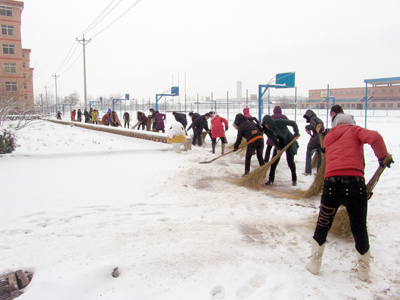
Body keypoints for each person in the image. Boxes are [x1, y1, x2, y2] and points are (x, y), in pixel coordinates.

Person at [305, 113, 393, 282]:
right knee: (359, 227)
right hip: (354, 184)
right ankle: (364, 270)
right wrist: (382, 158)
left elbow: (323, 147)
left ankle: (315, 263)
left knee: (323, 223)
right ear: (351, 123)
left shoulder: (329, 137)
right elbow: (375, 137)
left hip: (331, 185)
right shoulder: (354, 130)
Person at [261, 115, 300, 186]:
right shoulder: (267, 130)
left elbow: (293, 123)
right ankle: (271, 179)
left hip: (289, 143)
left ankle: (294, 179)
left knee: (290, 162)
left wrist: (296, 133)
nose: (266, 126)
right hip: (280, 144)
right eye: (265, 125)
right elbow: (273, 140)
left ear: (270, 122)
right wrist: (278, 148)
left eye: (267, 124)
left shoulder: (280, 122)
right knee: (274, 161)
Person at [303, 109, 324, 175]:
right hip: (321, 139)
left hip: (315, 140)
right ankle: (319, 172)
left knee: (308, 154)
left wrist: (307, 127)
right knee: (320, 157)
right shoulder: (318, 119)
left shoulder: (312, 119)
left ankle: (308, 171)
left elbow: (313, 126)